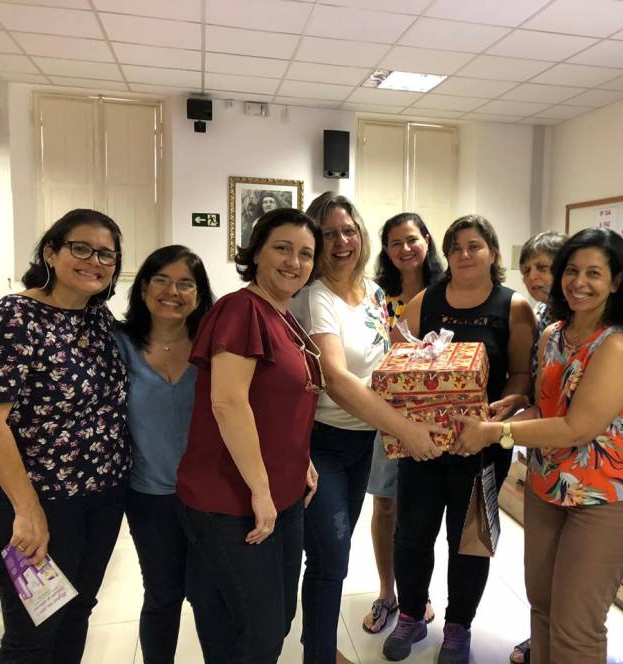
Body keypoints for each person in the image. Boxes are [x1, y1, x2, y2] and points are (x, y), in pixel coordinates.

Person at [453, 227, 623, 664]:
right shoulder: (553, 335)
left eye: (594, 273)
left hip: (605, 498)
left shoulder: (618, 345)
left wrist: (496, 434)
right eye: (571, 271)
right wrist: (501, 417)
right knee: (542, 606)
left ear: (617, 281)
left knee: (576, 626)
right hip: (547, 486)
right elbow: (547, 410)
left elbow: (577, 428)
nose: (579, 282)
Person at [292, 193, 443, 664]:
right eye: (328, 234)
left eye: (348, 231)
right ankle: (319, 653)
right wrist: (405, 428)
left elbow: (391, 353)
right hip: (323, 442)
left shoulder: (374, 291)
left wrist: (433, 360)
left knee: (333, 553)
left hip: (365, 440)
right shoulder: (314, 297)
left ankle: (317, 648)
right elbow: (336, 380)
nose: (341, 242)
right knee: (331, 556)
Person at [0, 208, 129, 663]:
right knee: (34, 630)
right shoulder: (14, 316)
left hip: (103, 497)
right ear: (50, 252)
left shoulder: (98, 318)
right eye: (81, 248)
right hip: (36, 501)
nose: (94, 261)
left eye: (106, 254)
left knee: (78, 611)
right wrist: (28, 511)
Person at [384, 214, 536, 664]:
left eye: (474, 246)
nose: (464, 255)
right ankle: (411, 615)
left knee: (469, 539)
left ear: (492, 252)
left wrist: (503, 407)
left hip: (481, 446)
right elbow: (398, 359)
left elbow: (522, 373)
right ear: (446, 255)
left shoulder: (513, 307)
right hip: (423, 444)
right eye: (456, 248)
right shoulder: (425, 299)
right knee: (412, 534)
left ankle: (458, 626)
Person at [176, 208, 324, 662]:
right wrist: (260, 490)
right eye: (282, 248)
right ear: (256, 252)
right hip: (233, 499)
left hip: (283, 493)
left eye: (305, 254)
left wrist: (301, 459)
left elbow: (280, 401)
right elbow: (228, 402)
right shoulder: (241, 309)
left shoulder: (284, 316)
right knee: (261, 633)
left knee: (275, 618)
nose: (294, 262)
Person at [116, 245, 214, 664]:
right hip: (149, 495)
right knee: (162, 595)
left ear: (199, 294)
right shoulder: (118, 344)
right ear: (142, 288)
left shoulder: (214, 346)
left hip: (211, 497)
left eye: (185, 284)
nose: (172, 291)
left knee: (211, 597)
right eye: (161, 280)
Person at [363, 212, 445, 635]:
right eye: (395, 242)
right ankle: (387, 592)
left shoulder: (446, 292)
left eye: (412, 239)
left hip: (432, 414)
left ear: (427, 240)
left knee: (421, 511)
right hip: (384, 411)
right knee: (386, 504)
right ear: (386, 249)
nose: (405, 249)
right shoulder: (376, 295)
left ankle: (417, 592)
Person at [511, 230, 567, 664]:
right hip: (542, 453)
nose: (534, 277)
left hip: (583, 464)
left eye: (544, 267)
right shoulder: (543, 317)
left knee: (574, 571)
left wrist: (501, 432)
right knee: (542, 568)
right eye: (527, 269)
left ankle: (564, 644)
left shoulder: (593, 325)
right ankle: (542, 640)